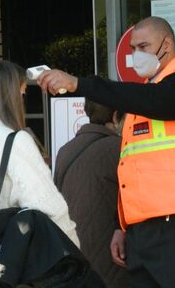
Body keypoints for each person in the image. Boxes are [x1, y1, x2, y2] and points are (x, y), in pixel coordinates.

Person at [38, 16, 175, 288]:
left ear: (167, 45)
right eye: (133, 48)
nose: (136, 55)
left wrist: (80, 84)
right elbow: (131, 169)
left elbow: (155, 100)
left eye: (144, 46)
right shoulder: (142, 101)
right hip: (142, 234)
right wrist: (120, 226)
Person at [0, 60, 80, 288]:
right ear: (12, 95)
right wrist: (74, 251)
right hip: (12, 272)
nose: (23, 100)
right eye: (22, 92)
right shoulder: (17, 141)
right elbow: (48, 205)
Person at [54, 100, 127, 288]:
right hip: (111, 255)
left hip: (72, 255)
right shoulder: (121, 149)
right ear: (115, 116)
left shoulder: (64, 151)